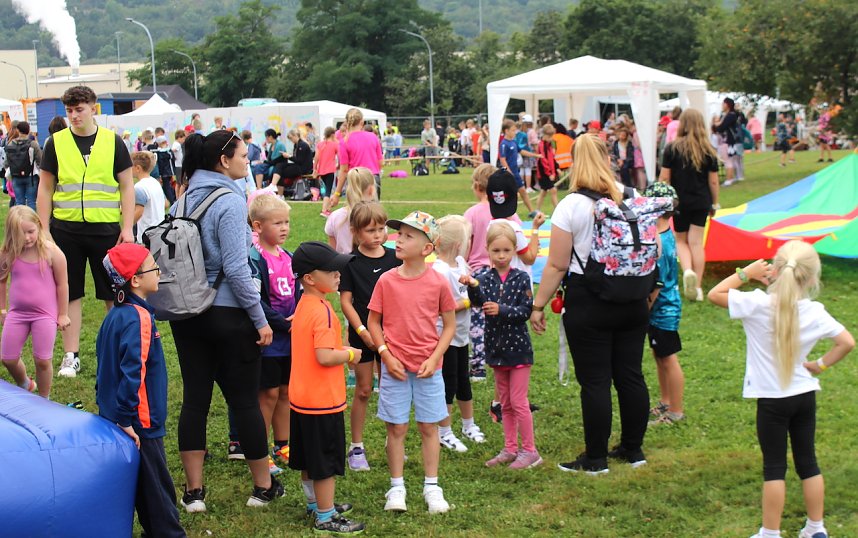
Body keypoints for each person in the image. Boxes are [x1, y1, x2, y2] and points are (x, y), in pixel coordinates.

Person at [707, 240, 854, 538]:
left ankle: (770, 533)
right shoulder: (815, 311)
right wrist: (820, 365)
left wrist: (745, 273)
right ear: (812, 278)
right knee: (808, 462)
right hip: (804, 397)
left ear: (775, 270)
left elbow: (714, 294)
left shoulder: (757, 304)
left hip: (772, 402)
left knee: (774, 467)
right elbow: (847, 342)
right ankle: (816, 528)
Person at [169, 130, 279, 513]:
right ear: (223, 161)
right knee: (245, 402)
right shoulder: (229, 201)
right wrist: (260, 319)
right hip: (229, 314)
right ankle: (262, 487)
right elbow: (235, 268)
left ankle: (194, 492)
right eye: (244, 157)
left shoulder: (180, 201)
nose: (248, 162)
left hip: (186, 313)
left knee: (195, 402)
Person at [530, 134, 651, 474]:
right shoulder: (632, 197)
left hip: (589, 299)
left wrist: (539, 305)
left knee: (595, 381)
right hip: (632, 295)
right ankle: (633, 449)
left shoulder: (571, 206)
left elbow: (555, 264)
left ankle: (596, 458)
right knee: (630, 376)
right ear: (606, 157)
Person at [37, 85, 135, 378]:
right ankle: (71, 356)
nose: (74, 116)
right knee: (70, 293)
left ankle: (116, 352)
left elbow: (127, 186)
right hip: (65, 229)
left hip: (106, 229)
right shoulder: (55, 142)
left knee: (114, 293)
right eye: (69, 111)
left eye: (79, 109)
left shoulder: (113, 142)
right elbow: (45, 187)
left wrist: (127, 227)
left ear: (94, 108)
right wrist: (44, 230)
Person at [367, 211, 456, 515]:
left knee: (429, 427)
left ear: (428, 247)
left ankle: (432, 486)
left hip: (429, 369)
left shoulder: (438, 282)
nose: (398, 240)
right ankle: (397, 487)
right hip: (395, 370)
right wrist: (385, 354)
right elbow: (374, 322)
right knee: (397, 429)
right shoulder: (386, 281)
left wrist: (435, 358)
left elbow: (450, 325)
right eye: (399, 234)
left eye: (407, 236)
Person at [96, 243, 186, 538]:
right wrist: (127, 418)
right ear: (135, 280)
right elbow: (133, 372)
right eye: (153, 268)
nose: (158, 272)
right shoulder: (140, 318)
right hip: (139, 422)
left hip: (117, 416)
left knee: (141, 482)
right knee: (156, 484)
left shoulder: (115, 315)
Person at [288, 241, 365, 534]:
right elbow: (323, 356)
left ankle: (315, 503)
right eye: (331, 271)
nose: (338, 274)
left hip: (302, 398)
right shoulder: (321, 311)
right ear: (310, 278)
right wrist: (350, 354)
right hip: (322, 401)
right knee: (325, 463)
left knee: (309, 457)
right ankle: (325, 515)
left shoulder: (307, 305)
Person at [464, 222, 541, 470]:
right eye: (496, 250)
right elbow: (477, 303)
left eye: (506, 251)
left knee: (519, 402)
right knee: (504, 403)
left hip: (518, 349)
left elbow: (525, 311)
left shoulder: (521, 278)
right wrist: (471, 285)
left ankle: (530, 451)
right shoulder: (484, 278)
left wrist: (502, 310)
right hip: (496, 349)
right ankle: (510, 448)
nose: (501, 256)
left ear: (514, 250)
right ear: (487, 250)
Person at [337, 201, 401, 471]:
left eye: (381, 229)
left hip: (390, 336)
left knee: (390, 391)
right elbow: (346, 302)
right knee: (363, 390)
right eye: (370, 230)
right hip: (362, 337)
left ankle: (393, 442)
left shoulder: (394, 258)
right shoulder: (350, 263)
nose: (377, 235)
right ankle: (357, 447)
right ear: (355, 232)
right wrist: (362, 332)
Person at [247, 194, 298, 476]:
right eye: (277, 223)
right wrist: (281, 323)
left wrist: (299, 317)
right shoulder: (256, 259)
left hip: (290, 338)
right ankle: (261, 450)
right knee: (266, 394)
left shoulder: (288, 257)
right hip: (269, 339)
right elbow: (257, 300)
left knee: (286, 393)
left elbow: (298, 291)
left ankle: (283, 444)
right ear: (257, 226)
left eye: (287, 222)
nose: (284, 228)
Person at [0, 206, 70, 398]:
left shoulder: (51, 252)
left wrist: (62, 313)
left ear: (39, 227)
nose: (27, 238)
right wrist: (3, 309)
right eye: (21, 234)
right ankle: (25, 383)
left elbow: (62, 284)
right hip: (17, 313)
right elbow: (2, 280)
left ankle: (44, 399)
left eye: (31, 232)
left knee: (42, 360)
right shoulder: (8, 253)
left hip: (44, 314)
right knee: (8, 358)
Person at [433, 215, 485, 453]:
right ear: (456, 244)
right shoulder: (440, 271)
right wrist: (467, 302)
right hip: (445, 336)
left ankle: (468, 425)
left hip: (461, 335)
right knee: (448, 383)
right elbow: (441, 308)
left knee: (463, 379)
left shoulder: (461, 263)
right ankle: (444, 431)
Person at [659, 109, 720, 302]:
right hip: (701, 201)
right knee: (696, 242)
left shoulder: (672, 148)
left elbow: (665, 177)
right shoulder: (708, 150)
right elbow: (713, 182)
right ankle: (699, 286)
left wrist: (663, 199)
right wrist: (715, 202)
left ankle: (687, 271)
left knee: (680, 240)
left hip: (679, 202)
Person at [641, 182, 685, 426]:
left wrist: (643, 310)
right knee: (659, 355)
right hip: (663, 310)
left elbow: (656, 285)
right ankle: (665, 402)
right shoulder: (665, 232)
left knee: (668, 358)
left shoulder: (661, 243)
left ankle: (676, 411)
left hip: (663, 310)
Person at [464, 164, 498, 381]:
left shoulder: (472, 213)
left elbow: (466, 243)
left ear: (477, 186)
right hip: (500, 272)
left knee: (477, 319)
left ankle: (478, 367)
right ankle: (499, 356)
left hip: (477, 273)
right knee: (497, 315)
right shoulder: (505, 211)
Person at [331, 108, 384, 204]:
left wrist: (337, 194)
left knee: (357, 214)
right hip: (373, 179)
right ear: (362, 122)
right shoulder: (373, 137)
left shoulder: (344, 142)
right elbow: (381, 163)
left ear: (347, 123)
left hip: (355, 180)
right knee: (374, 213)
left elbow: (344, 170)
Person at [325, 167, 377, 254]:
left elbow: (332, 251)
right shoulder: (375, 215)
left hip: (342, 264)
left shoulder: (335, 216)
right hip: (369, 265)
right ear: (371, 190)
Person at [499, 119, 539, 217]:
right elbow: (502, 160)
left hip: (515, 173)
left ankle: (531, 211)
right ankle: (505, 213)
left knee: (523, 192)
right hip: (508, 173)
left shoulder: (513, 142)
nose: (514, 132)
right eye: (513, 130)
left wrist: (536, 155)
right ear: (506, 131)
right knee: (509, 194)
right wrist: (508, 172)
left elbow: (521, 151)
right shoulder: (504, 144)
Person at [4, 121, 42, 211]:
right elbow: (40, 161)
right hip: (31, 176)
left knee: (19, 202)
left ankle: (19, 223)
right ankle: (31, 222)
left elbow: (6, 163)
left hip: (16, 176)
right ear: (28, 130)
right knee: (31, 201)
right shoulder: (33, 144)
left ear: (18, 130)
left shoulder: (10, 144)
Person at [131, 151, 166, 243]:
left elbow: (139, 211)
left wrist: (127, 227)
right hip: (160, 231)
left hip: (147, 235)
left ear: (138, 168)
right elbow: (166, 204)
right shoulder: (155, 182)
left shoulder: (139, 187)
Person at [272, 129, 313, 197]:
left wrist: (289, 156)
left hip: (303, 168)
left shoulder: (302, 145)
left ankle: (278, 192)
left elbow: (300, 160)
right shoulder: (296, 145)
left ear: (295, 136)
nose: (291, 140)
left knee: (281, 172)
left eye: (291, 138)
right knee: (279, 166)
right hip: (298, 165)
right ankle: (275, 187)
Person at [713, 97, 742, 186]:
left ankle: (729, 178)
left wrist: (716, 125)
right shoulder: (729, 115)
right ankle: (734, 176)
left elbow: (721, 127)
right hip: (729, 141)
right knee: (731, 160)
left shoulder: (730, 115)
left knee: (728, 160)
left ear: (727, 104)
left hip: (729, 141)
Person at [535, 123, 560, 213]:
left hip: (548, 172)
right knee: (553, 190)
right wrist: (549, 173)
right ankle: (557, 210)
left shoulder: (549, 145)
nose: (551, 139)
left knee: (544, 192)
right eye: (549, 137)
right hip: (543, 173)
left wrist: (556, 169)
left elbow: (551, 158)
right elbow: (543, 161)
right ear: (545, 135)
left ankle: (537, 210)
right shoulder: (542, 145)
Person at [314, 127, 339, 217]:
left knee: (326, 190)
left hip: (321, 170)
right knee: (328, 190)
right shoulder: (334, 144)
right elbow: (340, 154)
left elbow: (316, 157)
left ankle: (327, 208)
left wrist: (315, 169)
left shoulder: (320, 144)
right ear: (332, 134)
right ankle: (324, 210)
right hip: (330, 170)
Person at [153, 136, 177, 204]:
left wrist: (160, 174)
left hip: (165, 172)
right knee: (167, 186)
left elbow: (161, 163)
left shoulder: (162, 151)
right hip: (168, 171)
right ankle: (171, 200)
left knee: (167, 187)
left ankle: (172, 201)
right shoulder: (167, 151)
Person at [172, 130, 186, 194]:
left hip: (178, 165)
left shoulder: (175, 144)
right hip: (179, 165)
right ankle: (179, 196)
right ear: (179, 137)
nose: (184, 141)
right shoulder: (177, 144)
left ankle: (178, 196)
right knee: (181, 183)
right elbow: (173, 150)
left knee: (178, 183)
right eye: (183, 139)